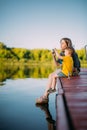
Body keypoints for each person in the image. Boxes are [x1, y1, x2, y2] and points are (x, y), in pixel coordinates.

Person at [36, 38, 80, 104]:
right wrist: (53, 57)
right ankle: (46, 95)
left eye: (62, 43)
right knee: (51, 75)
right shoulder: (63, 53)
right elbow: (57, 65)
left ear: (67, 44)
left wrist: (68, 71)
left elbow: (76, 68)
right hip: (65, 69)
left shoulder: (73, 54)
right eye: (60, 43)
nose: (60, 45)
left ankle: (45, 97)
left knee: (53, 75)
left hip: (72, 71)